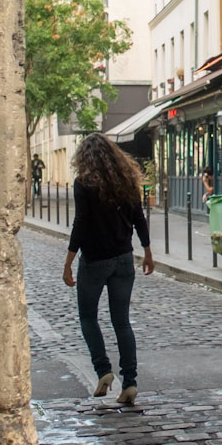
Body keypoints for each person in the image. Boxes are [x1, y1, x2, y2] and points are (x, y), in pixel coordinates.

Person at [62, 134, 155, 405]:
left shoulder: (83, 184)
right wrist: (147, 252)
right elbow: (139, 219)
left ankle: (103, 371)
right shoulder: (126, 180)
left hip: (94, 261)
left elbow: (80, 224)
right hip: (124, 259)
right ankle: (130, 383)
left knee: (88, 317)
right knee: (122, 321)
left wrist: (69, 261)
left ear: (84, 157)